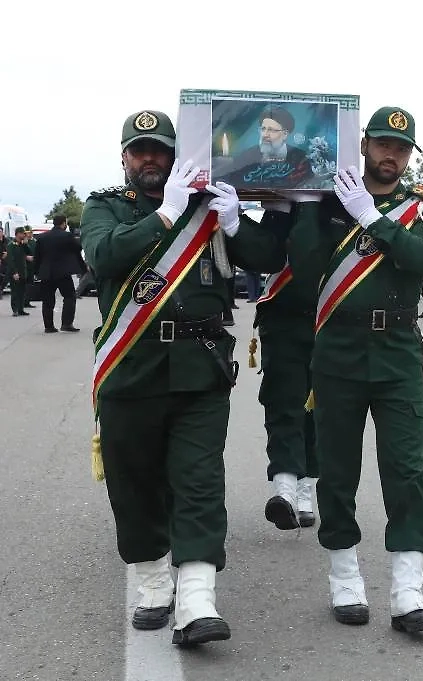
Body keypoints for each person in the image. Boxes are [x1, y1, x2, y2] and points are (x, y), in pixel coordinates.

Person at [80, 109, 286, 646]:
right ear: (124, 158)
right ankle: (151, 580)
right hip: (132, 363)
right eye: (140, 150)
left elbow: (267, 258)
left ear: (177, 154)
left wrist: (238, 221)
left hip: (200, 362)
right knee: (135, 478)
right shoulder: (107, 207)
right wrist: (165, 215)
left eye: (160, 149)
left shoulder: (207, 206)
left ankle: (197, 597)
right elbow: (104, 257)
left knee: (198, 479)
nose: (150, 158)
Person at [303, 105, 423, 633]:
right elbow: (298, 257)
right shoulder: (328, 203)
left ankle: (408, 591)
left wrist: (371, 216)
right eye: (383, 144)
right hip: (338, 352)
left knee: (406, 473)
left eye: (402, 148)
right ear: (364, 145)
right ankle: (345, 581)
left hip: (398, 354)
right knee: (338, 472)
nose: (392, 155)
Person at [254, 196, 324, 531]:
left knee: (318, 407)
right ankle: (284, 487)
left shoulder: (341, 202)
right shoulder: (280, 203)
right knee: (282, 400)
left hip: (329, 317)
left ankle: (307, 486)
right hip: (283, 316)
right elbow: (263, 254)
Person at [220, 105, 313, 189]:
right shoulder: (245, 158)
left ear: (285, 134)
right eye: (263, 129)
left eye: (271, 130)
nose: (265, 135)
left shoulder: (300, 159)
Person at [33, 214, 85, 332]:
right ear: (64, 223)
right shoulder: (67, 236)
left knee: (47, 301)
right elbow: (78, 248)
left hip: (46, 273)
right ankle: (66, 324)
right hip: (63, 273)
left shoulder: (42, 237)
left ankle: (49, 326)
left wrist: (36, 272)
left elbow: (37, 257)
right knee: (69, 296)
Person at [7, 227, 30, 316]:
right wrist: (14, 272)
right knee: (15, 291)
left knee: (22, 291)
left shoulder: (22, 244)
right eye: (22, 233)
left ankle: (21, 309)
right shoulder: (11, 245)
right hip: (15, 272)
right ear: (17, 234)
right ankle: (15, 309)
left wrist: (25, 244)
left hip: (23, 271)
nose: (24, 235)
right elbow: (11, 260)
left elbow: (29, 252)